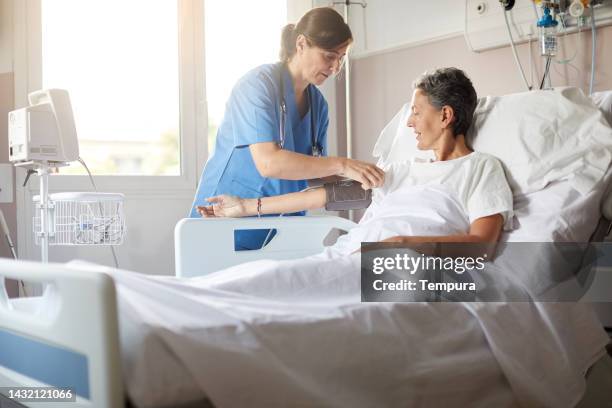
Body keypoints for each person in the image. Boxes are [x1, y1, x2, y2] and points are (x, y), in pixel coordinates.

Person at [198, 68, 513, 254]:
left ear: (445, 116)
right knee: (254, 286)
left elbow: (480, 244)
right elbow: (324, 196)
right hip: (348, 257)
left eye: (416, 112)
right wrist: (245, 207)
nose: (409, 123)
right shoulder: (400, 171)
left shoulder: (480, 168)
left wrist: (403, 243)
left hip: (396, 268)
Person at [191, 7, 385, 250]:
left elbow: (315, 169)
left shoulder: (318, 105)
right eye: (329, 56)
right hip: (226, 215)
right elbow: (269, 163)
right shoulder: (257, 86)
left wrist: (365, 176)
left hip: (284, 226)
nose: (336, 67)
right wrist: (344, 164)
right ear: (301, 44)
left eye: (341, 58)